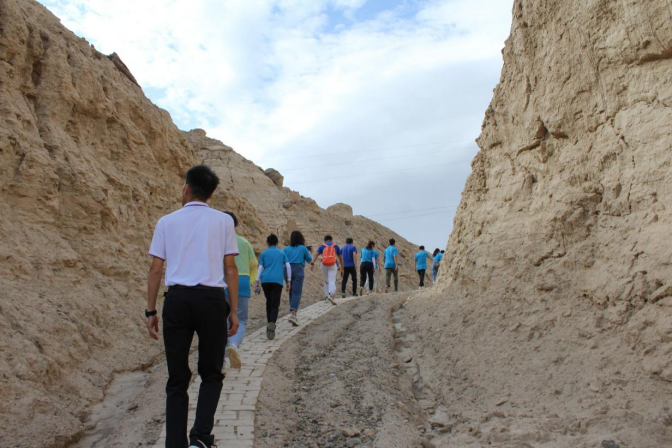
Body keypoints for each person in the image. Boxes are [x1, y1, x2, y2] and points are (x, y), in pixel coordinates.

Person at [145, 165, 239, 448]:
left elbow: (155, 269)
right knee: (211, 372)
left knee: (177, 377)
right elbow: (230, 268)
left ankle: (175, 443)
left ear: (186, 188)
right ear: (211, 195)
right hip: (211, 301)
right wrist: (233, 311)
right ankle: (200, 438)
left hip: (177, 300)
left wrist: (151, 310)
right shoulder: (224, 221)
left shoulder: (166, 222)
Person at [222, 211, 258, 370]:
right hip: (242, 280)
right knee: (241, 318)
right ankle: (234, 345)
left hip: (222, 280)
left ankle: (221, 359)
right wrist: (250, 280)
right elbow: (254, 264)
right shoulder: (244, 242)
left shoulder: (217, 242)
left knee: (222, 319)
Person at [256, 234, 291, 340]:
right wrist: (288, 280)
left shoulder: (264, 253)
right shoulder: (282, 253)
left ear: (267, 243)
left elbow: (260, 268)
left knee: (269, 301)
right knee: (275, 303)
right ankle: (272, 322)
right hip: (277, 280)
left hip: (265, 280)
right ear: (277, 243)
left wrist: (257, 280)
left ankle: (269, 323)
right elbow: (288, 266)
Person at [283, 230, 313, 326]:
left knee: (291, 291)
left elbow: (283, 261)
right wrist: (310, 252)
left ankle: (292, 312)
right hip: (298, 269)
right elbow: (309, 260)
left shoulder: (286, 249)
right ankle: (293, 314)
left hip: (287, 270)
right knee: (297, 292)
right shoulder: (303, 248)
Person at [311, 235, 343, 305]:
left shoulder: (322, 246)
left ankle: (326, 296)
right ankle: (331, 295)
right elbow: (341, 258)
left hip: (324, 265)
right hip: (333, 265)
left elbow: (316, 255)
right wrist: (342, 269)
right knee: (332, 280)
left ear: (324, 240)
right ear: (332, 240)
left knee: (326, 281)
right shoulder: (335, 246)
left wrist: (312, 263)